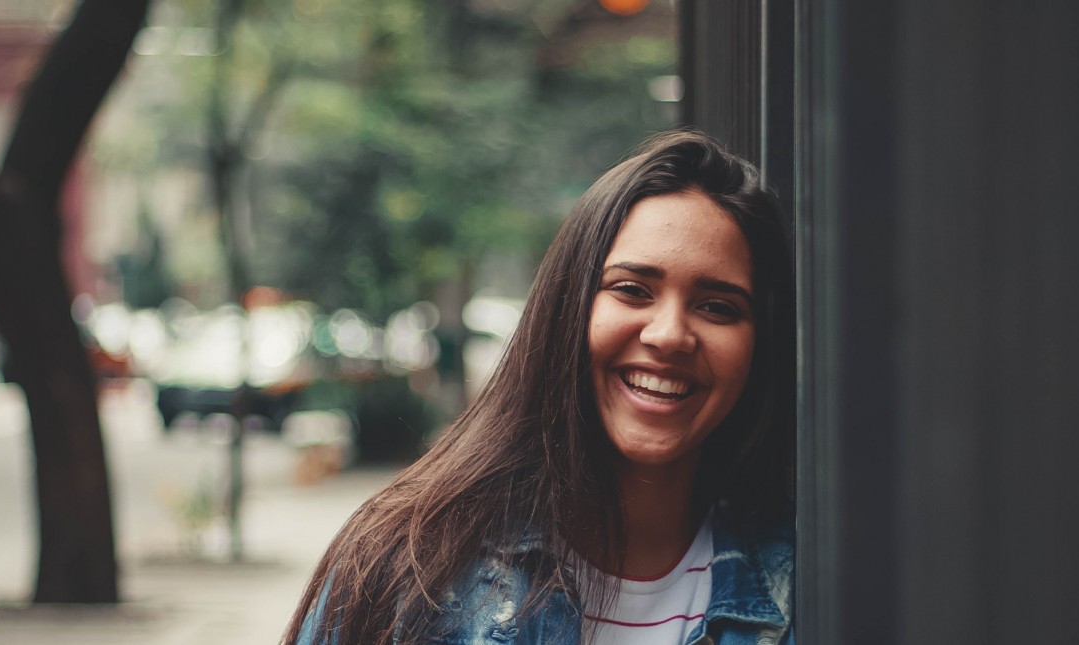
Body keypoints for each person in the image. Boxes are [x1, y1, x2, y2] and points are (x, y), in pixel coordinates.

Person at [283, 130, 796, 645]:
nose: (668, 335)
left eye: (718, 307)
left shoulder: (806, 586)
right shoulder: (413, 569)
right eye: (632, 290)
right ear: (566, 306)